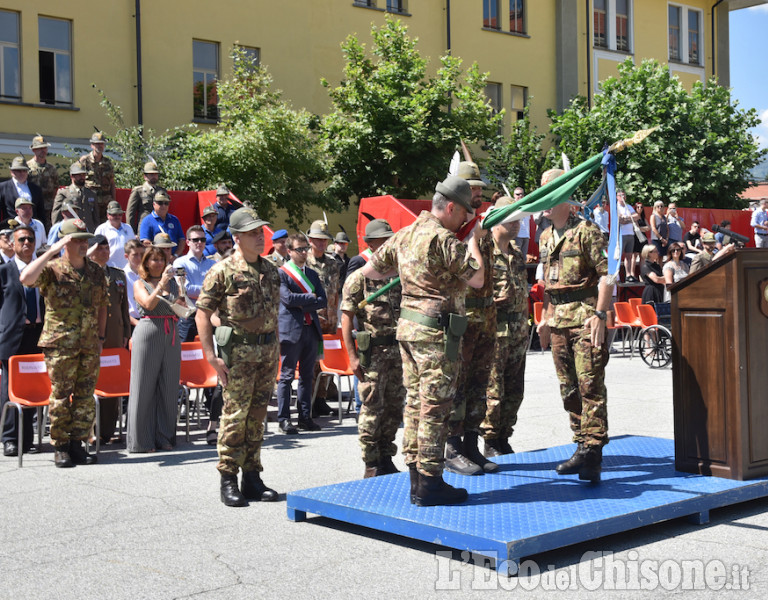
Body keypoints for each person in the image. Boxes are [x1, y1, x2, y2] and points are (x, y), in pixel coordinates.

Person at [360, 175, 484, 507]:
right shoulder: (444, 240)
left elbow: (372, 272)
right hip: (435, 334)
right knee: (435, 407)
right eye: (464, 213)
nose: (466, 220)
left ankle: (416, 478)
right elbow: (477, 277)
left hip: (408, 331)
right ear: (451, 207)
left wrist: (407, 273)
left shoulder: (404, 235)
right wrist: (472, 241)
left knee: (415, 404)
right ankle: (430, 481)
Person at [196, 207, 281, 506]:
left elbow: (273, 315)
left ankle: (253, 478)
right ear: (236, 237)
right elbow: (203, 314)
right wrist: (211, 356)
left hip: (267, 353)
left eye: (261, 232)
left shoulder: (271, 270)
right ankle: (228, 478)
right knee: (235, 417)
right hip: (239, 356)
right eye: (253, 233)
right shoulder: (222, 271)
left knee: (257, 419)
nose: (260, 238)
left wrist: (276, 352)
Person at [536, 168, 611, 484]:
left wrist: (601, 315)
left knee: (589, 385)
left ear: (565, 196)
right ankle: (582, 446)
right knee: (568, 389)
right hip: (557, 322)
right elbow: (549, 286)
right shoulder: (544, 236)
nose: (544, 201)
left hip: (584, 318)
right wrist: (543, 318)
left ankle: (592, 450)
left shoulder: (586, 231)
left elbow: (607, 275)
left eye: (549, 193)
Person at [20, 219, 108, 468]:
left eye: (84, 239)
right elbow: (26, 278)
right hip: (60, 344)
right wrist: (51, 250)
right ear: (65, 242)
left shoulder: (95, 271)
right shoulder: (52, 269)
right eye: (77, 240)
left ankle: (77, 444)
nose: (83, 244)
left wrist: (100, 338)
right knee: (60, 395)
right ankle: (60, 446)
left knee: (84, 396)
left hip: (89, 344)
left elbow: (102, 306)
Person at [340, 218, 404, 478]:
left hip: (398, 352)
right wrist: (352, 357)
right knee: (371, 408)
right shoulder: (359, 278)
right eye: (383, 241)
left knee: (394, 406)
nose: (389, 245)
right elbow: (346, 319)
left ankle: (387, 455)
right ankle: (371, 461)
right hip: (373, 354)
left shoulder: (399, 274)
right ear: (371, 244)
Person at [446, 160, 498, 476]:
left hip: (486, 315)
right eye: (473, 188)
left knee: (480, 384)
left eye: (480, 187)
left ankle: (471, 446)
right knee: (458, 384)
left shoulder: (482, 223)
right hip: (461, 315)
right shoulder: (452, 228)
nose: (478, 193)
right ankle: (451, 449)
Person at [482, 196, 529, 457]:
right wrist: (491, 302)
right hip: (494, 332)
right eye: (512, 219)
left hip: (518, 332)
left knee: (515, 389)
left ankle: (503, 436)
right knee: (493, 390)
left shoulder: (517, 253)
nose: (517, 225)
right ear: (497, 219)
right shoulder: (484, 251)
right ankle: (489, 440)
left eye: (520, 219)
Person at [126, 246, 184, 453]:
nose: (159, 263)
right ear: (146, 263)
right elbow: (149, 304)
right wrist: (161, 284)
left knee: (169, 386)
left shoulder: (173, 284)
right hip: (149, 331)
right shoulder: (139, 283)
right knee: (144, 387)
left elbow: (180, 307)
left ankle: (164, 436)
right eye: (154, 259)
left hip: (171, 333)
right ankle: (141, 440)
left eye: (162, 259)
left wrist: (181, 290)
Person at [276, 233, 327, 434]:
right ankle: (284, 419)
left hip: (310, 329)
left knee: (307, 376)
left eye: (306, 248)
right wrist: (310, 298)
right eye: (300, 249)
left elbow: (322, 300)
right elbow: (287, 299)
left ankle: (305, 417)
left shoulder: (312, 274)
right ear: (289, 251)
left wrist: (303, 303)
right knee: (287, 376)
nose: (304, 252)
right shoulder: (282, 273)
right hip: (291, 330)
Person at [0, 225, 44, 457]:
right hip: (13, 337)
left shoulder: (42, 271)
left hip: (37, 336)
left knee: (31, 386)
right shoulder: (4, 272)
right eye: (22, 240)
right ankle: (9, 438)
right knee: (10, 389)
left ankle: (27, 439)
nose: (27, 243)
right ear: (13, 244)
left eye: (30, 239)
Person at [87, 235, 130, 444]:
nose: (104, 252)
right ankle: (91, 430)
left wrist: (125, 335)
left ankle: (107, 429)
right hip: (92, 335)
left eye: (106, 248)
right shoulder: (86, 274)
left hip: (114, 335)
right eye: (99, 248)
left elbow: (123, 308)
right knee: (93, 382)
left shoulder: (117, 275)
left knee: (113, 381)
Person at [305, 220, 341, 416]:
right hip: (313, 320)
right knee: (312, 362)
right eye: (318, 240)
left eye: (324, 240)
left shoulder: (333, 263)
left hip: (329, 319)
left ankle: (321, 398)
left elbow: (335, 291)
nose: (321, 244)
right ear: (310, 240)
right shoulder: (304, 263)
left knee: (326, 361)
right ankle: (309, 401)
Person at [173, 225, 215, 342]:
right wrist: (209, 290)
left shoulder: (213, 264)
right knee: (185, 354)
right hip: (189, 316)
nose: (199, 242)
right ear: (187, 242)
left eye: (203, 239)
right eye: (195, 240)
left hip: (209, 315)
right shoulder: (179, 263)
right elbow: (185, 289)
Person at [52, 163, 100, 232]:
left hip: (88, 232)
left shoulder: (91, 193)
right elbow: (56, 215)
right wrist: (58, 231)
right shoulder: (64, 193)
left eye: (83, 175)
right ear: (72, 176)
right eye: (79, 175)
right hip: (72, 231)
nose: (82, 177)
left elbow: (96, 217)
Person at [78, 131, 116, 219]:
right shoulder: (85, 161)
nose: (100, 146)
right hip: (90, 200)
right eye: (97, 144)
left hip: (106, 201)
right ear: (92, 145)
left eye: (102, 144)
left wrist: (113, 201)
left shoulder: (108, 162)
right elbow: (78, 179)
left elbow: (112, 183)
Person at [0, 156, 46, 227]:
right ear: (12, 172)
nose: (22, 173)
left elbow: (41, 212)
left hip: (33, 228)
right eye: (18, 171)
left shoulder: (36, 188)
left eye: (24, 170)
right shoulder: (3, 187)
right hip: (11, 228)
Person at [139, 191, 185, 257]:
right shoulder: (147, 221)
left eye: (166, 203)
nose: (163, 206)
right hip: (157, 258)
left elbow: (181, 240)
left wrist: (175, 255)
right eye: (160, 203)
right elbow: (146, 243)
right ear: (154, 204)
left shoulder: (174, 219)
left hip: (174, 258)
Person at [26, 134, 59, 225]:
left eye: (44, 148)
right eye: (39, 148)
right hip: (33, 207)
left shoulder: (52, 168)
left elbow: (56, 188)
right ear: (33, 150)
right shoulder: (27, 168)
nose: (43, 150)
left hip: (49, 208)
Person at [95, 201, 135, 269]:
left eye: (120, 214)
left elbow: (134, 247)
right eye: (114, 215)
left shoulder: (128, 228)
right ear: (108, 215)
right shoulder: (101, 229)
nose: (117, 217)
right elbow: (95, 250)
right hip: (109, 268)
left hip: (127, 269)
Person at [126, 162, 165, 232]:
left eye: (156, 174)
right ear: (145, 176)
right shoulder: (138, 191)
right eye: (151, 174)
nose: (154, 176)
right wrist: (131, 231)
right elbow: (130, 213)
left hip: (159, 227)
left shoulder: (162, 191)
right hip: (144, 227)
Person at [616, 190, 639, 282]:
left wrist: (626, 218)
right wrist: (630, 219)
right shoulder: (616, 207)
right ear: (617, 197)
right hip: (622, 234)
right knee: (619, 255)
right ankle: (617, 274)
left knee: (629, 256)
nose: (623, 197)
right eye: (620, 195)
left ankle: (628, 274)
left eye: (624, 195)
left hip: (630, 233)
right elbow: (620, 220)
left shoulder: (628, 206)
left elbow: (637, 216)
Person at [122, 239, 145, 328]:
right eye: (135, 255)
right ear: (126, 256)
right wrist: (136, 323)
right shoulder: (122, 276)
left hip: (147, 320)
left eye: (142, 255)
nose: (139, 258)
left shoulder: (147, 275)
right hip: (130, 322)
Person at [512, 188, 531, 257]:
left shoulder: (527, 206)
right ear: (514, 195)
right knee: (516, 257)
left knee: (524, 258)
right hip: (517, 235)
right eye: (517, 194)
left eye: (522, 194)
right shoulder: (511, 206)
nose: (520, 196)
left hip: (526, 235)